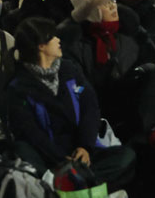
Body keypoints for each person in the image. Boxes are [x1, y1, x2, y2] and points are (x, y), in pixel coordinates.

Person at [9, 15, 134, 186]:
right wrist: (61, 160)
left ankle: (72, 183)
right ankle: (77, 183)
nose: (58, 40)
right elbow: (30, 132)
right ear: (41, 46)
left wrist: (85, 147)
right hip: (50, 159)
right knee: (23, 151)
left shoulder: (70, 71)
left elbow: (89, 107)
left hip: (80, 152)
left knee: (126, 156)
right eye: (52, 37)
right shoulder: (20, 87)